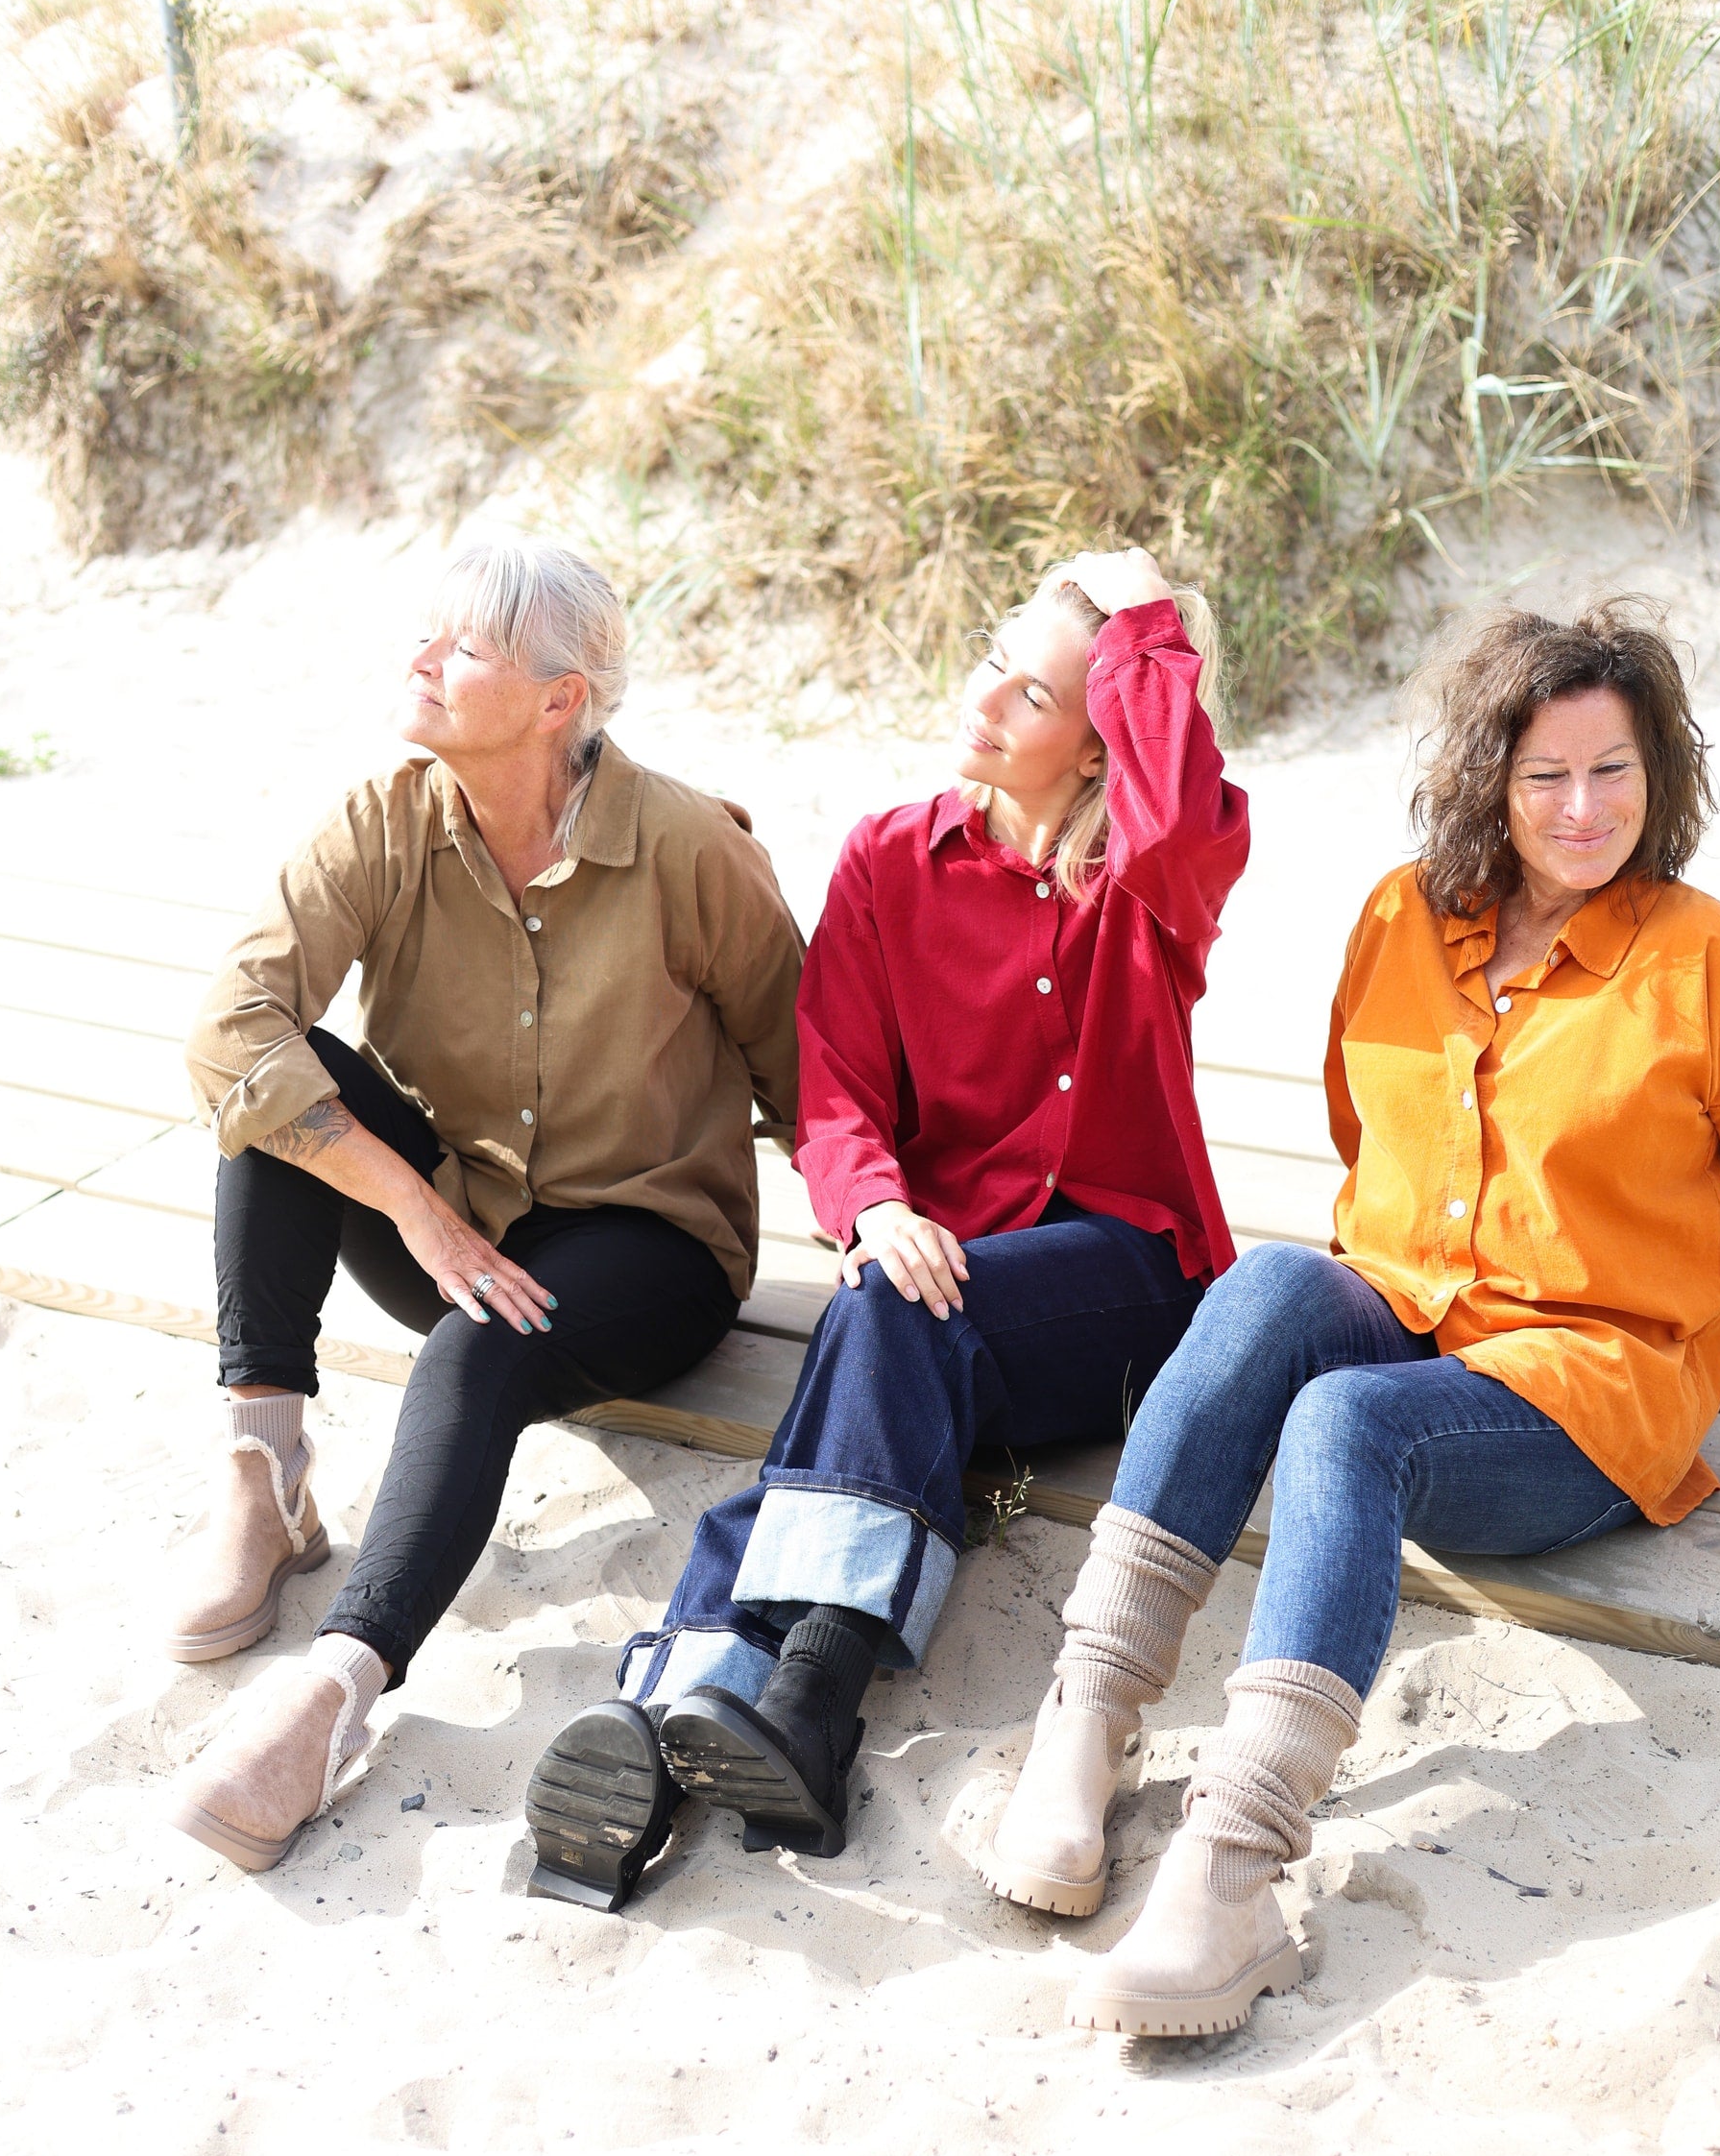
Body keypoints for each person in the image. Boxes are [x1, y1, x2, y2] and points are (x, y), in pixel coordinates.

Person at [986, 594, 1720, 2037]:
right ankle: (1090, 1713)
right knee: (1271, 1283)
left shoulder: (1719, 962)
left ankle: (1233, 1864)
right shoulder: (1404, 917)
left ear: (1660, 777)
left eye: (1615, 769)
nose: (1581, 806)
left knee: (1347, 1421)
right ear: (1490, 775)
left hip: (1591, 1385)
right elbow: (1368, 1149)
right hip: (1421, 1311)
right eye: (1545, 772)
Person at [524, 546, 1250, 1911]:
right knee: (884, 1309)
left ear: (1099, 752)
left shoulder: (1152, 887)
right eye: (993, 659)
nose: (984, 704)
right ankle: (763, 1715)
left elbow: (1169, 818)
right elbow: (836, 1087)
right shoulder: (888, 859)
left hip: (1127, 1277)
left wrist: (1147, 619)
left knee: (892, 1318)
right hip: (930, 1278)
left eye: (1034, 699)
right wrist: (876, 1205)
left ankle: (722, 1672)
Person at [165, 536, 803, 1873]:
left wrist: (897, 1232)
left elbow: (811, 1066)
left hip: (648, 1243)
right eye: (427, 636)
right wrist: (411, 1206)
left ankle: (338, 1686)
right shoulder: (383, 820)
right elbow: (230, 1025)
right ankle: (264, 1466)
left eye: (465, 648)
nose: (420, 664)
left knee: (480, 1345)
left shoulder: (688, 845)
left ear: (563, 698)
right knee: (282, 1084)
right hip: (451, 1218)